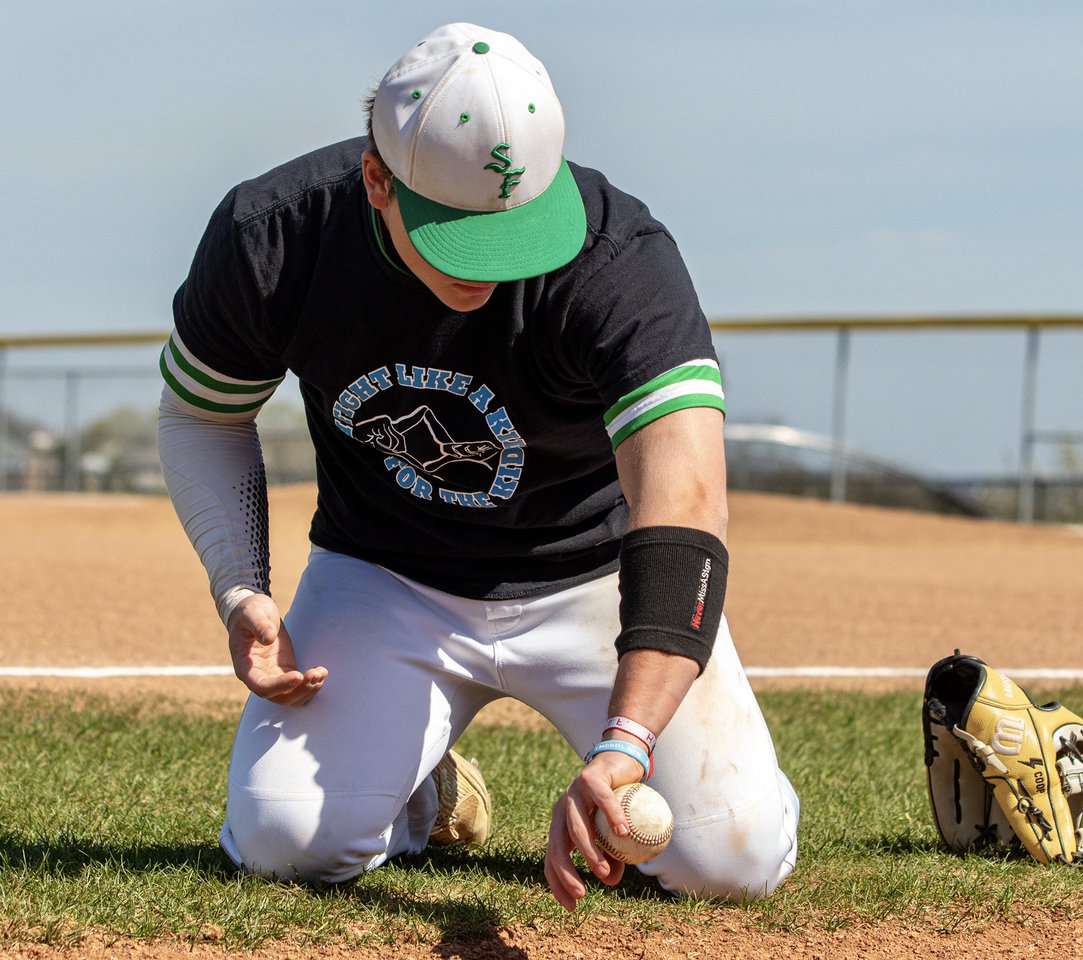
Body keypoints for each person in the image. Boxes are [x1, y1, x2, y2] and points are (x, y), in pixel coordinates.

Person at [157, 22, 799, 911]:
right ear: (377, 180)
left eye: (519, 229)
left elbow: (684, 505)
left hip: (596, 578)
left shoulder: (620, 258)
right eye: (458, 234)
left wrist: (625, 746)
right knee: (284, 840)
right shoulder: (278, 233)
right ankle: (417, 781)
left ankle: (730, 786)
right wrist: (240, 585)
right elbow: (201, 413)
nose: (494, 267)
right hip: (387, 577)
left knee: (731, 858)